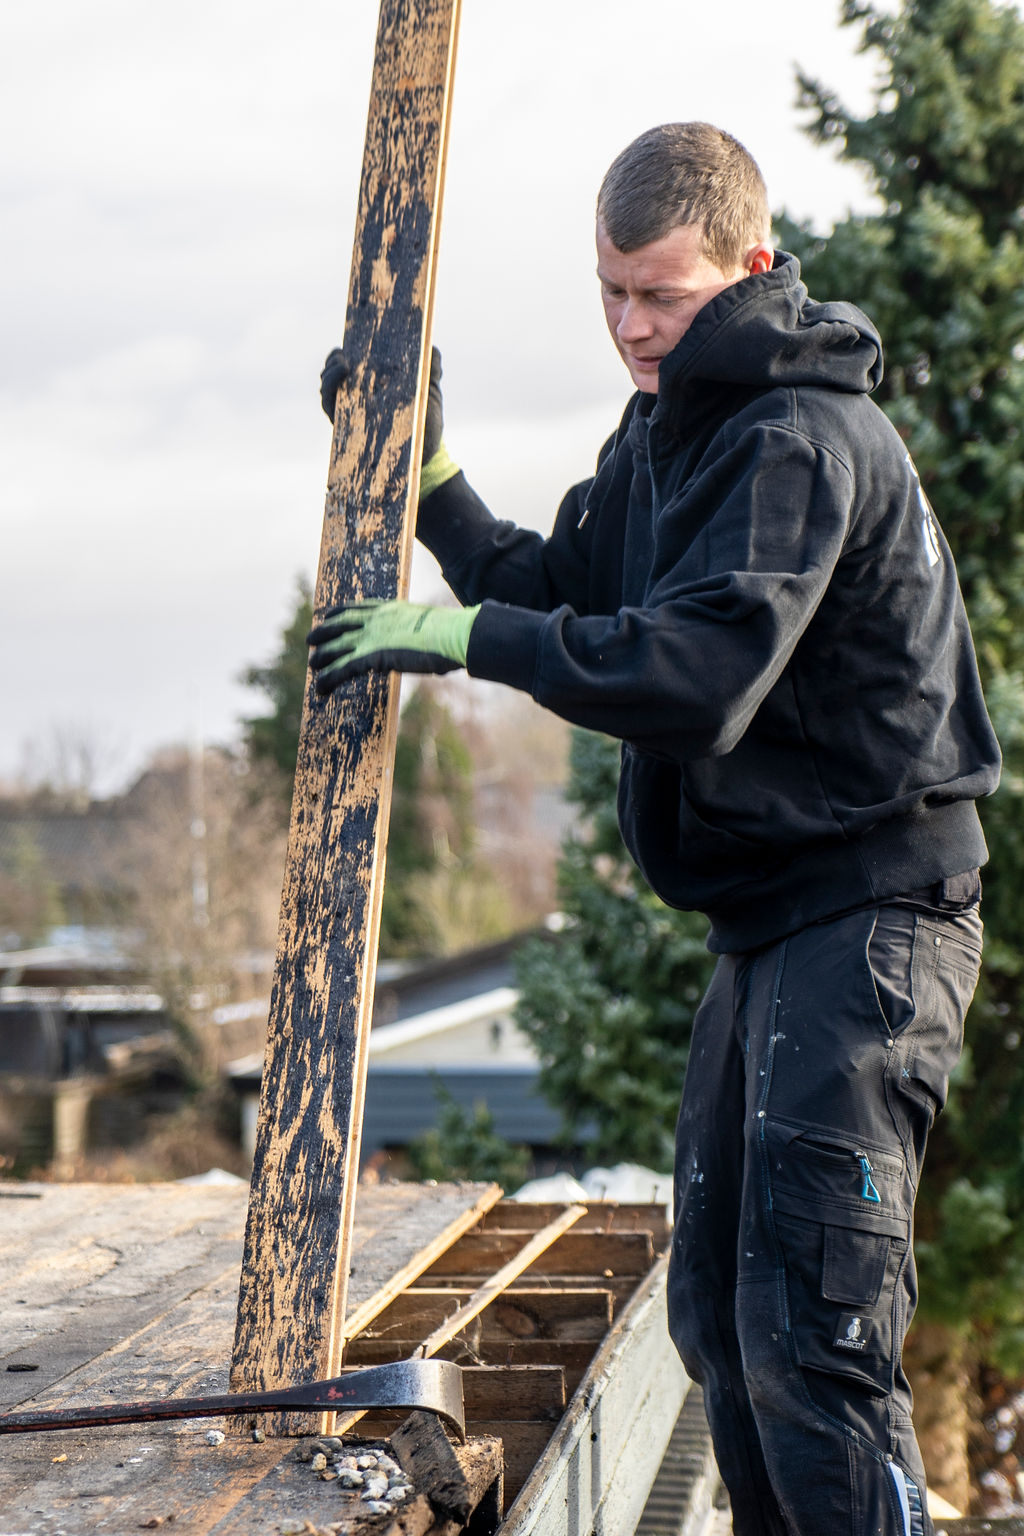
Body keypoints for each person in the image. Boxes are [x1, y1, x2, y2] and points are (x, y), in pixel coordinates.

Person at [312, 122, 1001, 1536]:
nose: (633, 325)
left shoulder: (801, 439)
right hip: (771, 929)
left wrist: (467, 640)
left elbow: (690, 678)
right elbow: (561, 587)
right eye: (613, 291)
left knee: (814, 1338)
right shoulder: (670, 432)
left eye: (663, 296)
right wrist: (432, 482)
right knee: (720, 1329)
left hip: (873, 922)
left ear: (749, 266)